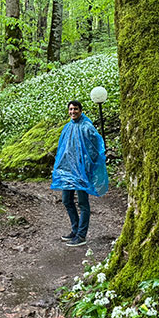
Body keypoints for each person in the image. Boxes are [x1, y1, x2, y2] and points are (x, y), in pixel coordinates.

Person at [51, 100, 109, 247]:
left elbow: (96, 148)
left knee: (83, 203)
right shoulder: (67, 127)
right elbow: (63, 150)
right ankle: (75, 229)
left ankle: (81, 236)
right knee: (66, 200)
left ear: (80, 110)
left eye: (75, 109)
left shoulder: (87, 127)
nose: (73, 112)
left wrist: (88, 166)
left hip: (82, 172)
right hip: (69, 171)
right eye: (70, 109)